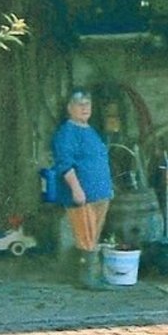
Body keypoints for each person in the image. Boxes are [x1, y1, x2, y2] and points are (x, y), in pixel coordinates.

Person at [51, 90, 114, 289]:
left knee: (93, 235)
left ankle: (92, 275)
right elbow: (64, 165)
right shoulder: (66, 133)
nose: (85, 107)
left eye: (88, 104)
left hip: (100, 192)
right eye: (80, 104)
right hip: (82, 195)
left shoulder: (90, 130)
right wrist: (76, 190)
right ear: (69, 108)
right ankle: (87, 278)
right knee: (85, 235)